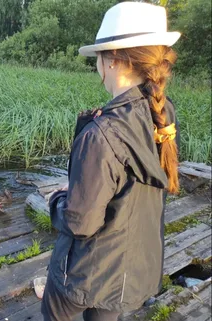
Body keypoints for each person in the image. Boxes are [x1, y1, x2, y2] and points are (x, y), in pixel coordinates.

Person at [41, 2, 181, 321]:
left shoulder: (101, 133)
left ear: (114, 60)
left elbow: (81, 222)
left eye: (98, 60)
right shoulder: (162, 112)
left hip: (86, 273)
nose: (98, 68)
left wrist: (59, 198)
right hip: (130, 271)